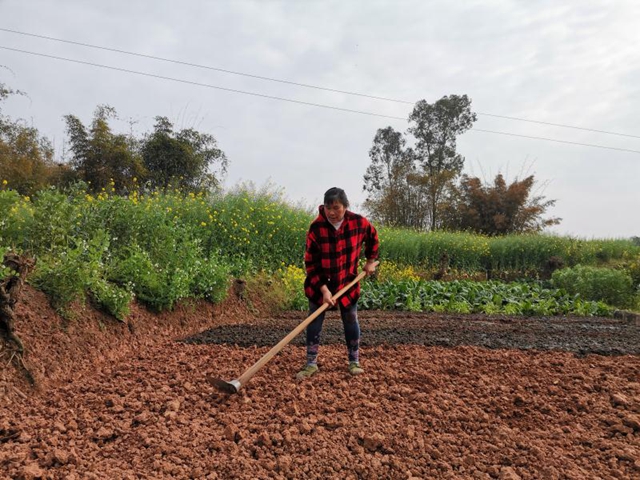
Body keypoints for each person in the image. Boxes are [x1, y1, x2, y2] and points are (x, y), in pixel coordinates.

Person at [297, 187, 379, 379]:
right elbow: (310, 263)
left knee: (350, 318)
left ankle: (354, 361)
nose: (332, 212)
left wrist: (369, 261)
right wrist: (324, 290)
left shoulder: (359, 223)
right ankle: (311, 364)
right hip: (320, 285)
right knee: (314, 320)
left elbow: (373, 237)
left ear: (345, 206)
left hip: (347, 282)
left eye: (336, 208)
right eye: (328, 207)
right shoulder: (316, 228)